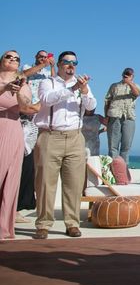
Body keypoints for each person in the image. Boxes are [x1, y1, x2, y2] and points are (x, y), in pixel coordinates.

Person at [33, 51, 96, 239]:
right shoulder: (48, 83)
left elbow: (91, 107)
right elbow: (46, 100)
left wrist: (84, 92)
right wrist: (72, 89)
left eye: (74, 62)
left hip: (76, 138)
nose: (71, 66)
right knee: (45, 183)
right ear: (59, 64)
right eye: (67, 62)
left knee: (74, 184)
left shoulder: (83, 85)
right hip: (50, 136)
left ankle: (72, 223)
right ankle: (43, 224)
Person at [0, 50, 38, 239]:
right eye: (9, 56)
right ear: (1, 60)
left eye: (17, 58)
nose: (13, 60)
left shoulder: (23, 84)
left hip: (14, 128)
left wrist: (19, 94)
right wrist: (5, 88)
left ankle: (4, 229)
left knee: (12, 179)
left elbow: (25, 108)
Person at [16, 50, 54, 222]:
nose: (43, 59)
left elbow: (54, 84)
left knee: (33, 162)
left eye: (45, 57)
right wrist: (42, 65)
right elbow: (25, 74)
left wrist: (51, 67)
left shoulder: (47, 73)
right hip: (24, 115)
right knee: (23, 162)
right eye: (40, 56)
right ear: (36, 58)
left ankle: (23, 204)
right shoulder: (27, 69)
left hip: (37, 119)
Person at [105, 67, 140, 164]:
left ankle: (123, 172)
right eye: (125, 73)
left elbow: (137, 93)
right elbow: (107, 101)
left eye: (129, 74)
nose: (126, 75)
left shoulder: (136, 86)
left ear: (132, 76)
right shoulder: (114, 86)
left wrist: (129, 83)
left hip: (129, 117)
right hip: (114, 116)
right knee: (113, 146)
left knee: (126, 147)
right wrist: (106, 117)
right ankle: (112, 171)